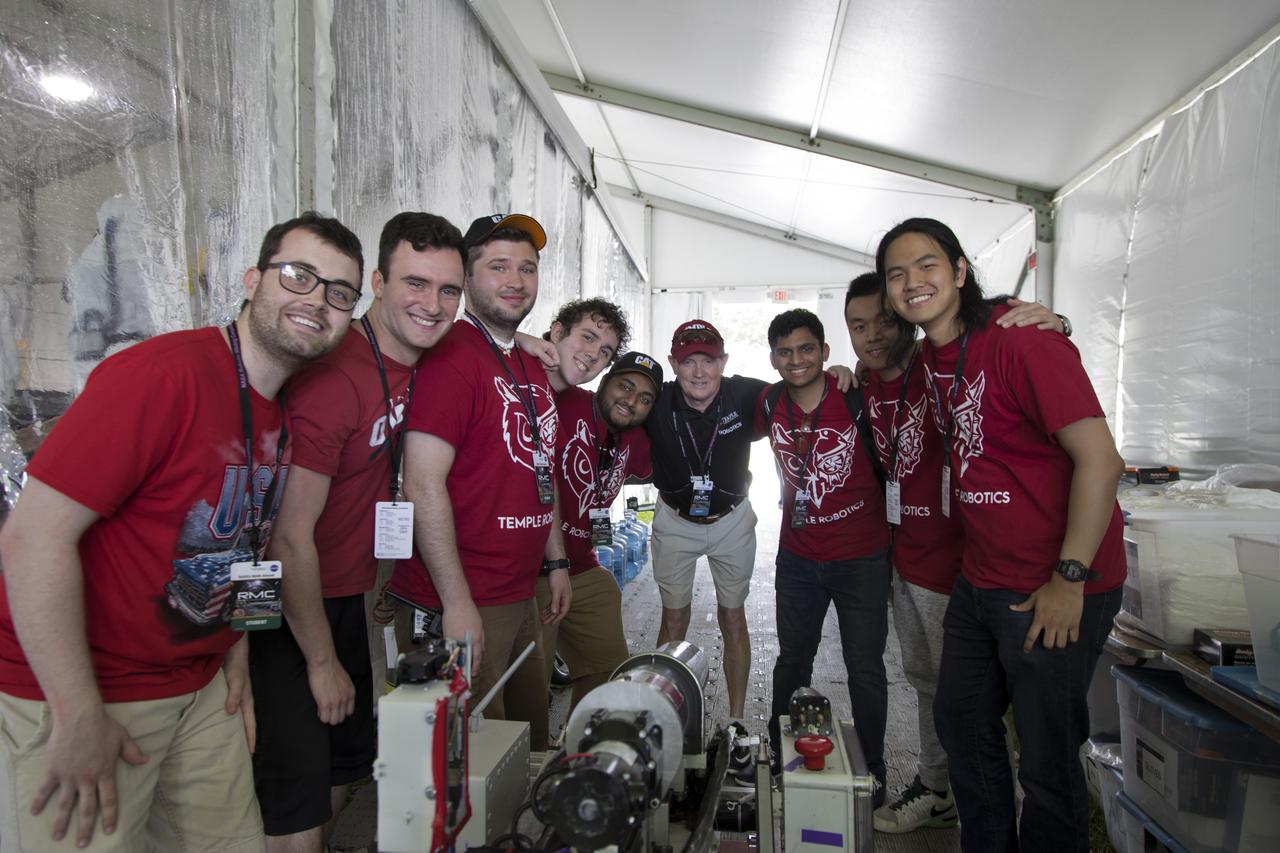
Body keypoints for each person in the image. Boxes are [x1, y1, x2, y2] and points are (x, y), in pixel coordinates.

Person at [0, 211, 361, 851]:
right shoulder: (162, 376)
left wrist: (234, 652)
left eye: (339, 292)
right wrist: (76, 711)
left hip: (200, 688)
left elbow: (243, 544)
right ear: (252, 279)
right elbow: (33, 538)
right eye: (298, 275)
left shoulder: (275, 409)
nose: (316, 301)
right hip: (92, 690)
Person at [877, 218, 1125, 852]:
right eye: (897, 274)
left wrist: (1069, 580)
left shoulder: (1023, 340)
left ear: (960, 271)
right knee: (961, 721)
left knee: (1045, 759)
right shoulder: (929, 358)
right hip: (983, 576)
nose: (912, 282)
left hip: (1053, 582)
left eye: (927, 265)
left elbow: (1102, 460)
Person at [251, 212, 465, 851]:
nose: (432, 305)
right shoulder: (334, 375)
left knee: (344, 765)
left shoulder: (417, 355)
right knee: (297, 793)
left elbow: (490, 335)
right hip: (290, 607)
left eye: (448, 290)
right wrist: (320, 661)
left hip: (349, 591)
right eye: (415, 284)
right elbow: (288, 536)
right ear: (377, 283)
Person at [847, 272, 1066, 833]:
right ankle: (941, 789)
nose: (873, 336)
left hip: (961, 563)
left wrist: (1057, 324)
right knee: (928, 684)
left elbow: (998, 341)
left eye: (884, 321)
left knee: (968, 701)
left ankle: (976, 798)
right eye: (858, 326)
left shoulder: (939, 365)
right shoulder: (864, 385)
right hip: (907, 557)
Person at [386, 213, 570, 751]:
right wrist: (456, 601)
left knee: (523, 743)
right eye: (498, 267)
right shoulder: (450, 357)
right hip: (466, 595)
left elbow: (539, 467)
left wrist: (555, 560)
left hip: (518, 589)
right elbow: (422, 484)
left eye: (527, 268)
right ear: (466, 278)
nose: (516, 280)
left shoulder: (526, 359)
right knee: (471, 760)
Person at [756, 307, 893, 798]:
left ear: (825, 351)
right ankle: (781, 761)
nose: (797, 360)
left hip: (862, 558)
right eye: (785, 352)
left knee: (866, 667)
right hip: (797, 557)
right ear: (773, 359)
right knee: (792, 661)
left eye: (806, 349)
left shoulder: (857, 395)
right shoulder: (769, 402)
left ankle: (872, 769)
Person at [540, 300, 661, 707]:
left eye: (645, 398)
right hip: (534, 567)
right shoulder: (563, 400)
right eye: (625, 386)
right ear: (605, 378)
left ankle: (583, 734)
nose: (631, 400)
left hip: (582, 567)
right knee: (530, 688)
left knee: (609, 674)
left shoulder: (636, 440)